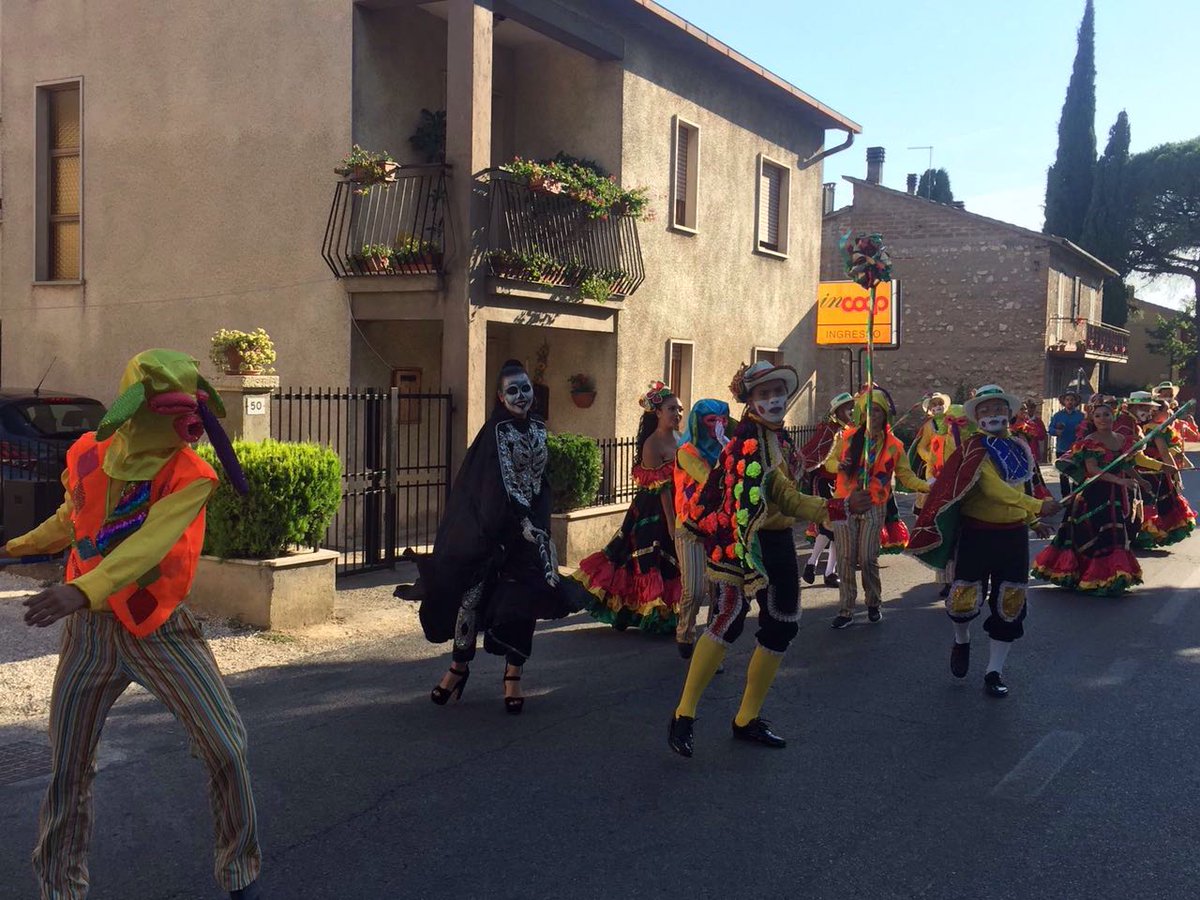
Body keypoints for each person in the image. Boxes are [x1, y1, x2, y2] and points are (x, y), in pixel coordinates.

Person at [0, 350, 263, 900]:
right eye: (173, 412)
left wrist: (80, 589)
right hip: (88, 636)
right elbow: (74, 517)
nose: (188, 426)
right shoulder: (88, 454)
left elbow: (148, 545)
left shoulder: (191, 475)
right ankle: (59, 888)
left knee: (226, 745)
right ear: (137, 410)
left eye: (191, 412)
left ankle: (239, 873)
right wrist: (17, 546)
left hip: (158, 629)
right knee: (69, 766)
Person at [667, 361, 872, 757]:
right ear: (750, 401)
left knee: (781, 626)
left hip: (776, 541)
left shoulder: (780, 438)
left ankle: (747, 717)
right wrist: (840, 506)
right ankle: (683, 714)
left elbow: (802, 469)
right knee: (727, 621)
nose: (774, 399)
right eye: (764, 393)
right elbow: (787, 496)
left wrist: (846, 437)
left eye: (778, 391)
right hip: (741, 540)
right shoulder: (748, 444)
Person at [409, 359, 580, 715]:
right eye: (512, 390)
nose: (521, 396)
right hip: (493, 530)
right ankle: (458, 667)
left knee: (524, 601)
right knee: (470, 598)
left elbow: (539, 481)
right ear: (501, 397)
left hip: (531, 533)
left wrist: (537, 526)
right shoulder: (496, 432)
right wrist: (517, 523)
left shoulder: (539, 428)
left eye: (525, 388)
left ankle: (513, 675)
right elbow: (497, 483)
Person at [909, 385, 1061, 698]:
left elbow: (1022, 486)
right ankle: (961, 640)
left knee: (1010, 602)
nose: (993, 414)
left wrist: (1032, 520)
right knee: (963, 599)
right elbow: (993, 488)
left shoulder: (1019, 446)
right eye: (986, 409)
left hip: (1013, 536)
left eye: (999, 408)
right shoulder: (974, 449)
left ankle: (994, 671)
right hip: (977, 534)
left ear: (1009, 413)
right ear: (977, 416)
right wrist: (1037, 507)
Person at [574, 382, 684, 633]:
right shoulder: (652, 445)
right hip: (653, 510)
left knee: (671, 560)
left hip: (679, 504)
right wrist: (671, 522)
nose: (677, 414)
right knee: (648, 558)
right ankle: (646, 613)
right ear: (658, 413)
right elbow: (661, 489)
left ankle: (667, 612)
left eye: (679, 409)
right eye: (671, 409)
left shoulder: (681, 438)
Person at [1033, 399, 1168, 595]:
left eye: (1106, 414)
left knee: (1116, 532)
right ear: (1093, 419)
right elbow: (1093, 470)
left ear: (1113, 416)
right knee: (1096, 533)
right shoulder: (1090, 442)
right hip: (1095, 494)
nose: (1103, 419)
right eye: (1098, 416)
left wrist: (1140, 480)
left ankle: (1112, 575)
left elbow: (1125, 464)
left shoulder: (1122, 439)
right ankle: (1092, 576)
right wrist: (1120, 481)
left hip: (1117, 495)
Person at [824, 388, 929, 628]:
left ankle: (873, 603)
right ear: (862, 414)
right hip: (842, 502)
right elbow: (828, 462)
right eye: (869, 411)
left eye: (878, 411)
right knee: (845, 558)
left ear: (885, 415)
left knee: (868, 558)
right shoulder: (847, 438)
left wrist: (928, 487)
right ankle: (846, 610)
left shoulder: (894, 446)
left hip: (874, 504)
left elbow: (906, 476)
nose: (873, 416)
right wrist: (839, 465)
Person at [673, 398, 731, 658]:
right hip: (689, 527)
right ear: (698, 422)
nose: (719, 425)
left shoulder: (726, 449)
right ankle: (685, 632)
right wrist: (727, 453)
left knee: (719, 590)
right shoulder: (686, 451)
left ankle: (711, 646)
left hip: (719, 528)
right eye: (712, 420)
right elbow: (709, 478)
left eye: (723, 420)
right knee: (695, 589)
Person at [797, 392, 854, 588]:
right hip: (827, 484)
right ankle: (823, 569)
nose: (851, 411)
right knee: (832, 527)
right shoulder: (831, 433)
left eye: (852, 407)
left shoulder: (848, 431)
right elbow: (827, 461)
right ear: (838, 412)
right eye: (847, 408)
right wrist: (842, 466)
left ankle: (819, 567)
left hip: (842, 485)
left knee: (836, 528)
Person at [1133, 397, 1196, 548]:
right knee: (1155, 502)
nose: (1169, 412)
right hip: (1155, 472)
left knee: (1149, 501)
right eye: (1167, 409)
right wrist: (1176, 473)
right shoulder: (1155, 430)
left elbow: (1171, 451)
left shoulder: (1146, 426)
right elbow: (1164, 453)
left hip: (1148, 470)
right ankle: (1148, 534)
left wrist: (1185, 463)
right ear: (1156, 411)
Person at [911, 392, 951, 513]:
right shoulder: (928, 426)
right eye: (934, 404)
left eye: (940, 403)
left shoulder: (951, 421)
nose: (938, 406)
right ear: (930, 409)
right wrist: (930, 457)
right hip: (933, 469)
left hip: (950, 464)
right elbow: (921, 446)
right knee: (928, 497)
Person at [1049, 390, 1085, 495]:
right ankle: (1065, 497)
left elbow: (1086, 429)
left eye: (1072, 400)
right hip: (1062, 448)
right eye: (1067, 399)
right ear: (1064, 402)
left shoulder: (1081, 416)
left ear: (1075, 402)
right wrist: (1056, 431)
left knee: (1077, 474)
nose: (1070, 402)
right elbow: (1050, 429)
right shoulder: (1057, 416)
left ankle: (1075, 496)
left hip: (1077, 449)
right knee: (1063, 475)